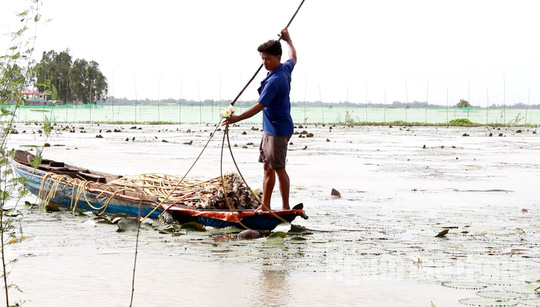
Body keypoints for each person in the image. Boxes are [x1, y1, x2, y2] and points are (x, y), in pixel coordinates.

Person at [223, 28, 297, 211]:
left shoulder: (276, 80)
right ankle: (265, 206)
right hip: (270, 129)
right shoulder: (285, 68)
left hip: (278, 130)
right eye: (262, 59)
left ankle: (286, 208)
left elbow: (259, 106)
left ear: (277, 58)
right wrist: (288, 40)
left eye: (268, 59)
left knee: (279, 169)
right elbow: (293, 57)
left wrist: (236, 118)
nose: (264, 62)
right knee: (267, 167)